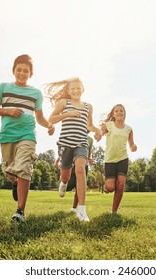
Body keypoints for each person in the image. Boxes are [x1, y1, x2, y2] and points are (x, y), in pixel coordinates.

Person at [0, 54, 55, 223]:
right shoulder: (3, 87)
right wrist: (8, 111)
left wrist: (48, 125)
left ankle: (20, 211)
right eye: (19, 70)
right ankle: (14, 182)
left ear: (30, 74)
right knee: (9, 170)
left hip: (27, 135)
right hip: (7, 135)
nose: (22, 73)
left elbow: (39, 117)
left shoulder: (35, 93)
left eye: (26, 71)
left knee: (24, 168)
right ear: (13, 71)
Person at [46, 77, 101, 222]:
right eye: (73, 88)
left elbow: (89, 125)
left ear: (83, 89)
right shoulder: (64, 102)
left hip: (81, 143)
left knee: (80, 170)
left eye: (78, 88)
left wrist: (97, 131)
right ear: (68, 91)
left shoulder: (88, 106)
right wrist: (67, 114)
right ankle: (63, 183)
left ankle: (82, 211)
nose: (76, 90)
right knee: (65, 175)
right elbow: (51, 119)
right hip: (65, 143)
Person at [101, 104, 137, 213]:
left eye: (121, 110)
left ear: (124, 113)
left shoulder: (129, 129)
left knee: (121, 185)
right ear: (113, 114)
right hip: (110, 159)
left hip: (123, 158)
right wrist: (98, 135)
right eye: (116, 111)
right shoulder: (109, 125)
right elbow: (101, 132)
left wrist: (133, 147)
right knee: (111, 187)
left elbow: (131, 144)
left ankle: (114, 211)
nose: (119, 112)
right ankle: (107, 186)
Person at [54, 135, 94, 213]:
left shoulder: (90, 139)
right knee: (68, 186)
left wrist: (90, 157)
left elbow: (90, 151)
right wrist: (57, 160)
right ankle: (63, 181)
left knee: (79, 186)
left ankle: (74, 208)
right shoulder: (74, 133)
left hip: (83, 165)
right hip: (71, 164)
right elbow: (66, 150)